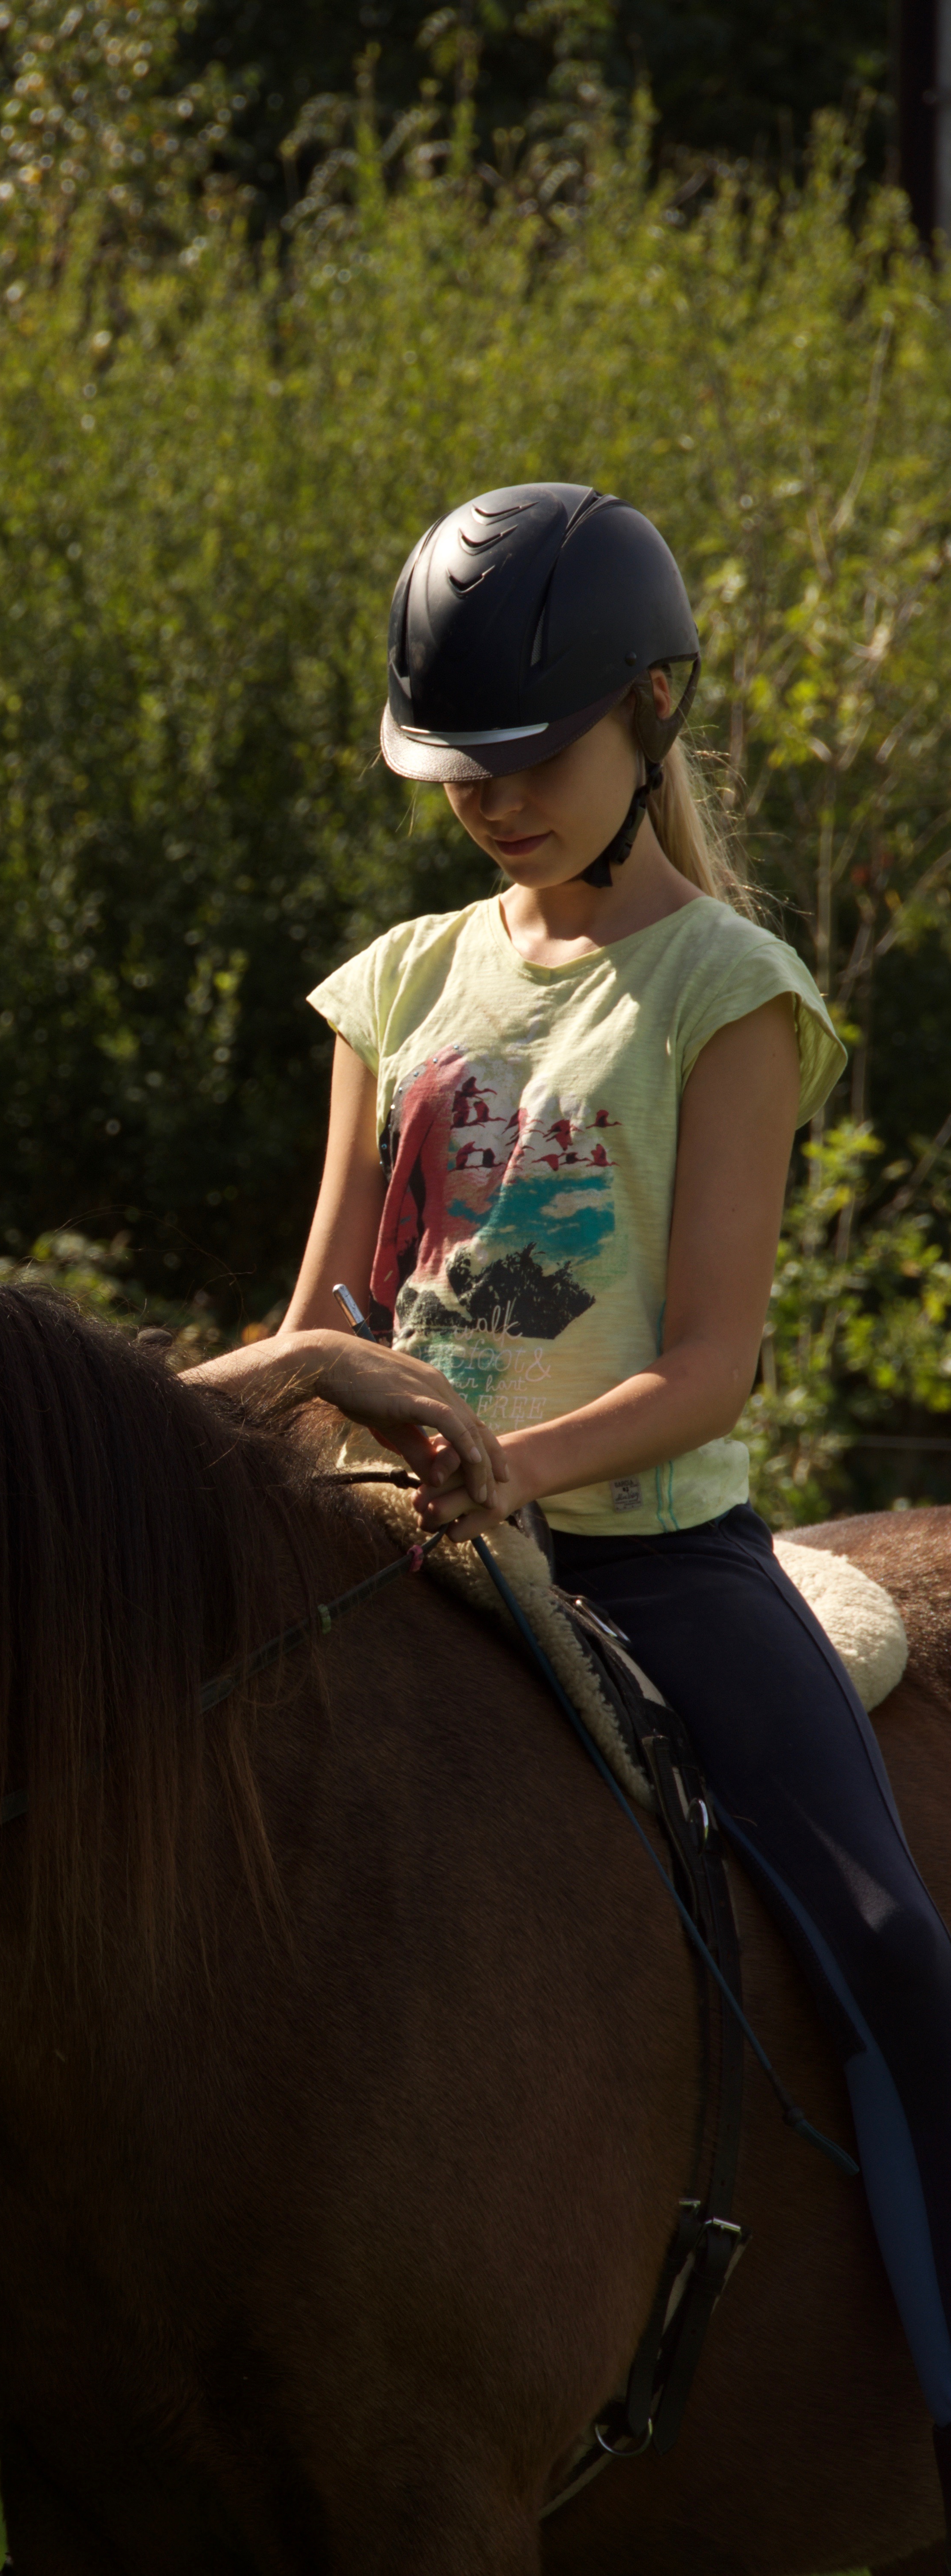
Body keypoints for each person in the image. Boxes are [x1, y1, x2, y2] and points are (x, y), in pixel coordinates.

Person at [204, 478, 951, 2515]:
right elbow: (326, 1314)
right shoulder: (392, 985)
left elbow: (707, 1367)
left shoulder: (725, 991)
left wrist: (493, 1466)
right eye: (457, 765)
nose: (492, 800)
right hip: (377, 1546)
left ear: (652, 710)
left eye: (531, 755)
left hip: (655, 1564)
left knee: (894, 1948)